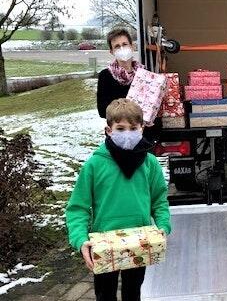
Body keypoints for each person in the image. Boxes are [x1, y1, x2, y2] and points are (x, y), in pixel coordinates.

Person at [65, 98, 171, 301]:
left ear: (142, 128)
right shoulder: (94, 165)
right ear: (108, 130)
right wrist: (80, 240)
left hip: (141, 242)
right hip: (104, 244)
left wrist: (163, 225)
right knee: (105, 294)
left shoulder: (149, 163)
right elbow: (77, 208)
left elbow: (159, 201)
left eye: (133, 128)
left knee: (133, 293)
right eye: (120, 128)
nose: (127, 134)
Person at [97, 28, 144, 118]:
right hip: (119, 129)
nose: (122, 48)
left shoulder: (143, 74)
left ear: (132, 46)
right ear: (111, 51)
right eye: (117, 46)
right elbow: (102, 111)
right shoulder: (105, 76)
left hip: (143, 129)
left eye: (125, 44)